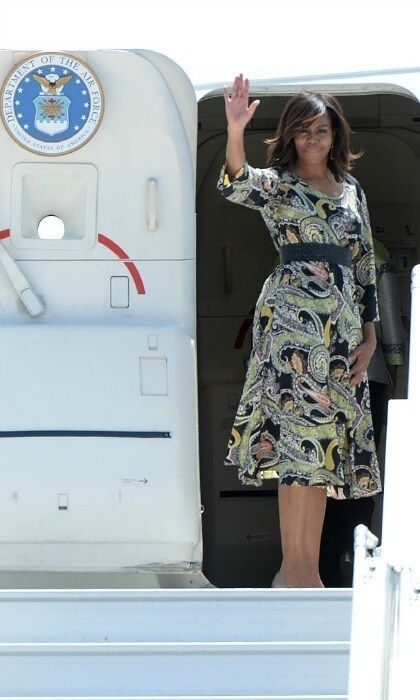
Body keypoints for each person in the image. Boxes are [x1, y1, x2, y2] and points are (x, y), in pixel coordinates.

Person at [216, 73, 382, 588]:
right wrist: (236, 128)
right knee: (296, 450)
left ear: (337, 137)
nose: (314, 139)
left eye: (324, 130)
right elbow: (236, 179)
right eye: (305, 130)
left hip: (341, 333)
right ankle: (296, 572)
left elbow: (365, 266)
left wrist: (372, 334)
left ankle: (301, 574)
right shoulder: (279, 183)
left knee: (320, 452)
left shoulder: (352, 189)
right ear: (290, 135)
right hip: (292, 328)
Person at [321, 236, 406, 586]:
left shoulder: (295, 241)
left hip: (315, 382)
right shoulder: (375, 249)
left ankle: (324, 565)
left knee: (319, 478)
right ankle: (355, 563)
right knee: (362, 479)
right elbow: (388, 320)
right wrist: (396, 367)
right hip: (369, 378)